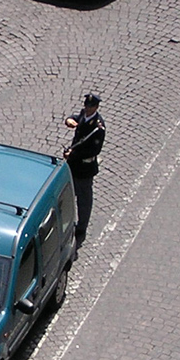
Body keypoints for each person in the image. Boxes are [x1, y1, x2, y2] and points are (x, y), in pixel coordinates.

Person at [63, 93, 105, 247]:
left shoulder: (98, 127)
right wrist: (69, 119)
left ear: (96, 107)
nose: (87, 109)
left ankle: (81, 227)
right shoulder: (83, 115)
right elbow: (76, 117)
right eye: (86, 106)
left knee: (84, 200)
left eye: (90, 107)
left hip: (84, 168)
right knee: (67, 193)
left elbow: (93, 150)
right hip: (73, 164)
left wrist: (73, 154)